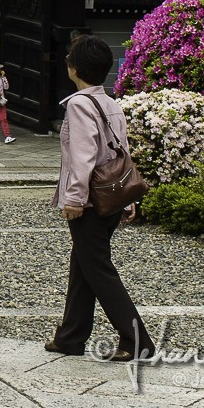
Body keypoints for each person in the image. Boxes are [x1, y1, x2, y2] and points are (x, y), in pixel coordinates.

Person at [47, 34, 155, 363]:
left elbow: (84, 157)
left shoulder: (80, 104)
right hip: (109, 198)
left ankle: (138, 340)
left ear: (74, 68)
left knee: (98, 271)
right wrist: (126, 199)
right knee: (84, 267)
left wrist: (74, 199)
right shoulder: (110, 103)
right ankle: (71, 336)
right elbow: (119, 154)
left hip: (91, 202)